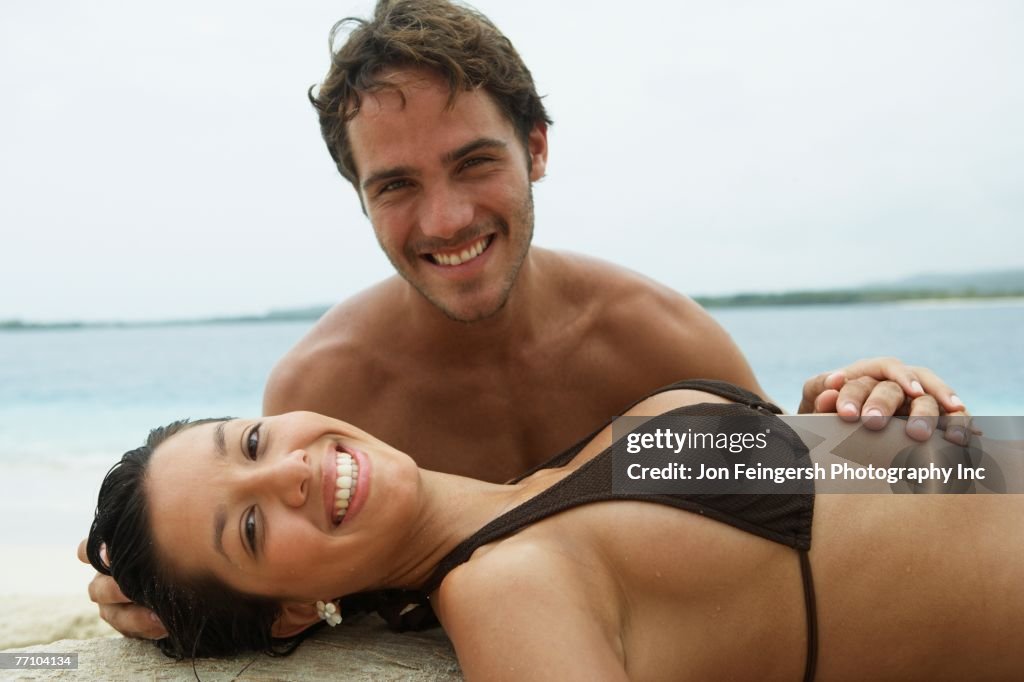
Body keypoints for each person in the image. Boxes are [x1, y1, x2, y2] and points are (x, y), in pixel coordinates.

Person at [82, 0, 971, 639]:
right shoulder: (327, 393)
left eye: (474, 163)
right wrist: (173, 604)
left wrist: (856, 410)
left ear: (536, 146)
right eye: (395, 185)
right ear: (359, 197)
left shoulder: (658, 340)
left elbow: (795, 513)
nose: (445, 220)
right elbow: (270, 565)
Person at [85, 381, 1021, 680]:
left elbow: (834, 510)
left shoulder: (549, 478)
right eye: (247, 527)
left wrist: (866, 398)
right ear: (289, 611)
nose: (286, 468)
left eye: (250, 441)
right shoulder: (505, 590)